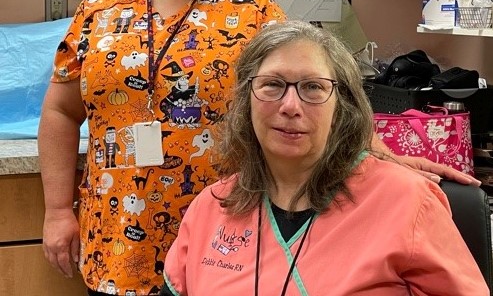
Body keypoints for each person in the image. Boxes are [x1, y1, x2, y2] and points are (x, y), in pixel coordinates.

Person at [38, 0, 479, 296]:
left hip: (229, 235)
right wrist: (57, 210)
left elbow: (313, 95)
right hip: (120, 236)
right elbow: (60, 109)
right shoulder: (98, 11)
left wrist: (389, 157)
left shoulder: (254, 11)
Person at [160, 20, 489, 296]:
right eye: (272, 85)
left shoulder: (406, 202)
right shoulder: (210, 208)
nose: (290, 106)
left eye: (313, 87)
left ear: (341, 106)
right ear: (247, 100)